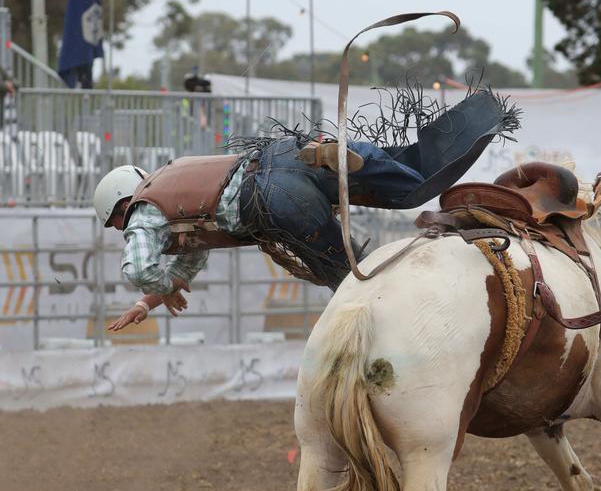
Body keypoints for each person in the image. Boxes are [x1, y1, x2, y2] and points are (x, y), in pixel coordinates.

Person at [96, 88, 519, 330]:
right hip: (289, 158)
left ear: (122, 202)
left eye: (116, 222)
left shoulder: (143, 209)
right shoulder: (178, 186)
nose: (122, 228)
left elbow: (136, 267)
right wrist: (150, 302)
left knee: (358, 280)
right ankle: (476, 121)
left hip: (273, 199)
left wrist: (159, 286)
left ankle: (427, 336)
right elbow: (193, 257)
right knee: (409, 183)